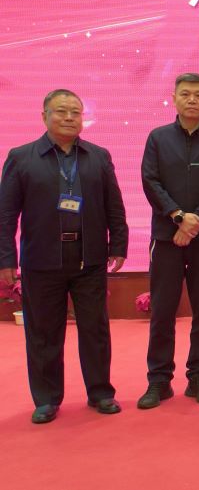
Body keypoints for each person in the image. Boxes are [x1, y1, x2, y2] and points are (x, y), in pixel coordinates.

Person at [0, 89, 128, 424]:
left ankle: (100, 392)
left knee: (95, 330)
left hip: (89, 259)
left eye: (75, 112)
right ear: (44, 116)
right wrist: (5, 259)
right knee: (43, 333)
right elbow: (6, 214)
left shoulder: (98, 156)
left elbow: (114, 205)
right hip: (41, 260)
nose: (70, 117)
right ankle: (46, 399)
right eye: (61, 111)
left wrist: (118, 245)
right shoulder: (21, 157)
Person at [137, 73, 199, 409]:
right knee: (163, 310)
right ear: (174, 98)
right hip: (166, 238)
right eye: (186, 94)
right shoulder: (158, 138)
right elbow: (150, 181)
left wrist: (195, 221)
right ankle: (159, 380)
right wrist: (178, 216)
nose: (192, 100)